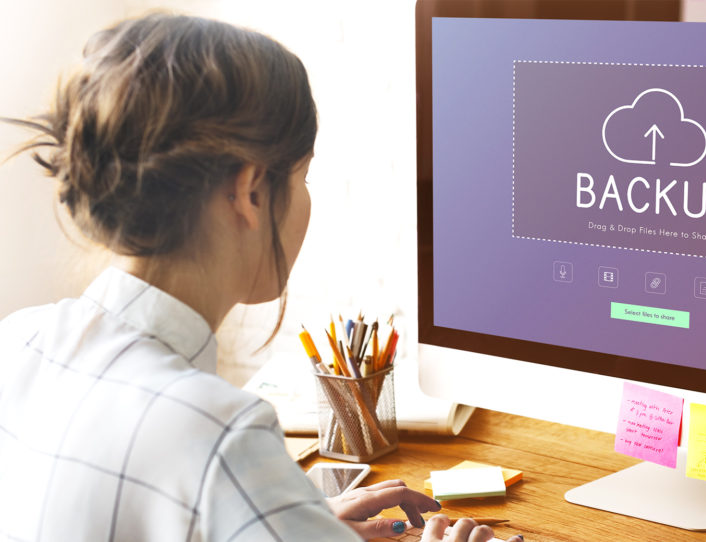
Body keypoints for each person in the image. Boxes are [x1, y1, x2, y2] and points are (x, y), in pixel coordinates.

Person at [0, 13, 521, 542]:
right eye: (303, 176)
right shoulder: (220, 435)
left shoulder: (16, 342)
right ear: (250, 191)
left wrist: (282, 517)